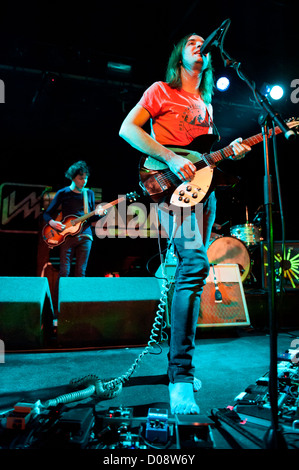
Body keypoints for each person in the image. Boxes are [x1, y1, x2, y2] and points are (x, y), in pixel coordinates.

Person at [119, 33, 251, 415]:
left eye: (203, 42)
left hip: (204, 192)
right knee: (194, 265)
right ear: (179, 53)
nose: (200, 43)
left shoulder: (206, 103)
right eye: (192, 40)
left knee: (192, 271)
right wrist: (170, 158)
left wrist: (233, 154)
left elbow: (205, 155)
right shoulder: (161, 90)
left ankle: (178, 364)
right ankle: (180, 375)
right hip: (172, 188)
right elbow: (128, 129)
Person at [43, 160, 102, 309]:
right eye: (81, 178)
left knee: (81, 272)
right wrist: (52, 223)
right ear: (72, 177)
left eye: (86, 178)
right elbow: (47, 213)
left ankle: (77, 306)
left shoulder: (88, 193)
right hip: (67, 236)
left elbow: (91, 216)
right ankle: (58, 308)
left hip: (86, 235)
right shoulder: (63, 193)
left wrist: (100, 214)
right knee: (64, 271)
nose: (84, 181)